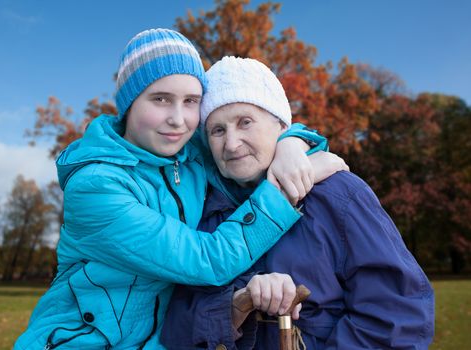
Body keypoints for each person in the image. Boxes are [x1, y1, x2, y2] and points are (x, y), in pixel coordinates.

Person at [14, 29, 342, 350]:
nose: (179, 119)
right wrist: (285, 190)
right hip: (81, 340)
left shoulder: (189, 153)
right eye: (160, 99)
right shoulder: (96, 187)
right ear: (129, 104)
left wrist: (291, 147)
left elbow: (266, 124)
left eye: (191, 102)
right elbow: (207, 260)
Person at [161, 57, 435, 349]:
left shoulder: (338, 194)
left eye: (245, 122)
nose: (231, 143)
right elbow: (173, 329)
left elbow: (397, 314)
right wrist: (236, 304)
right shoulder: (199, 216)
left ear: (280, 125)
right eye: (217, 130)